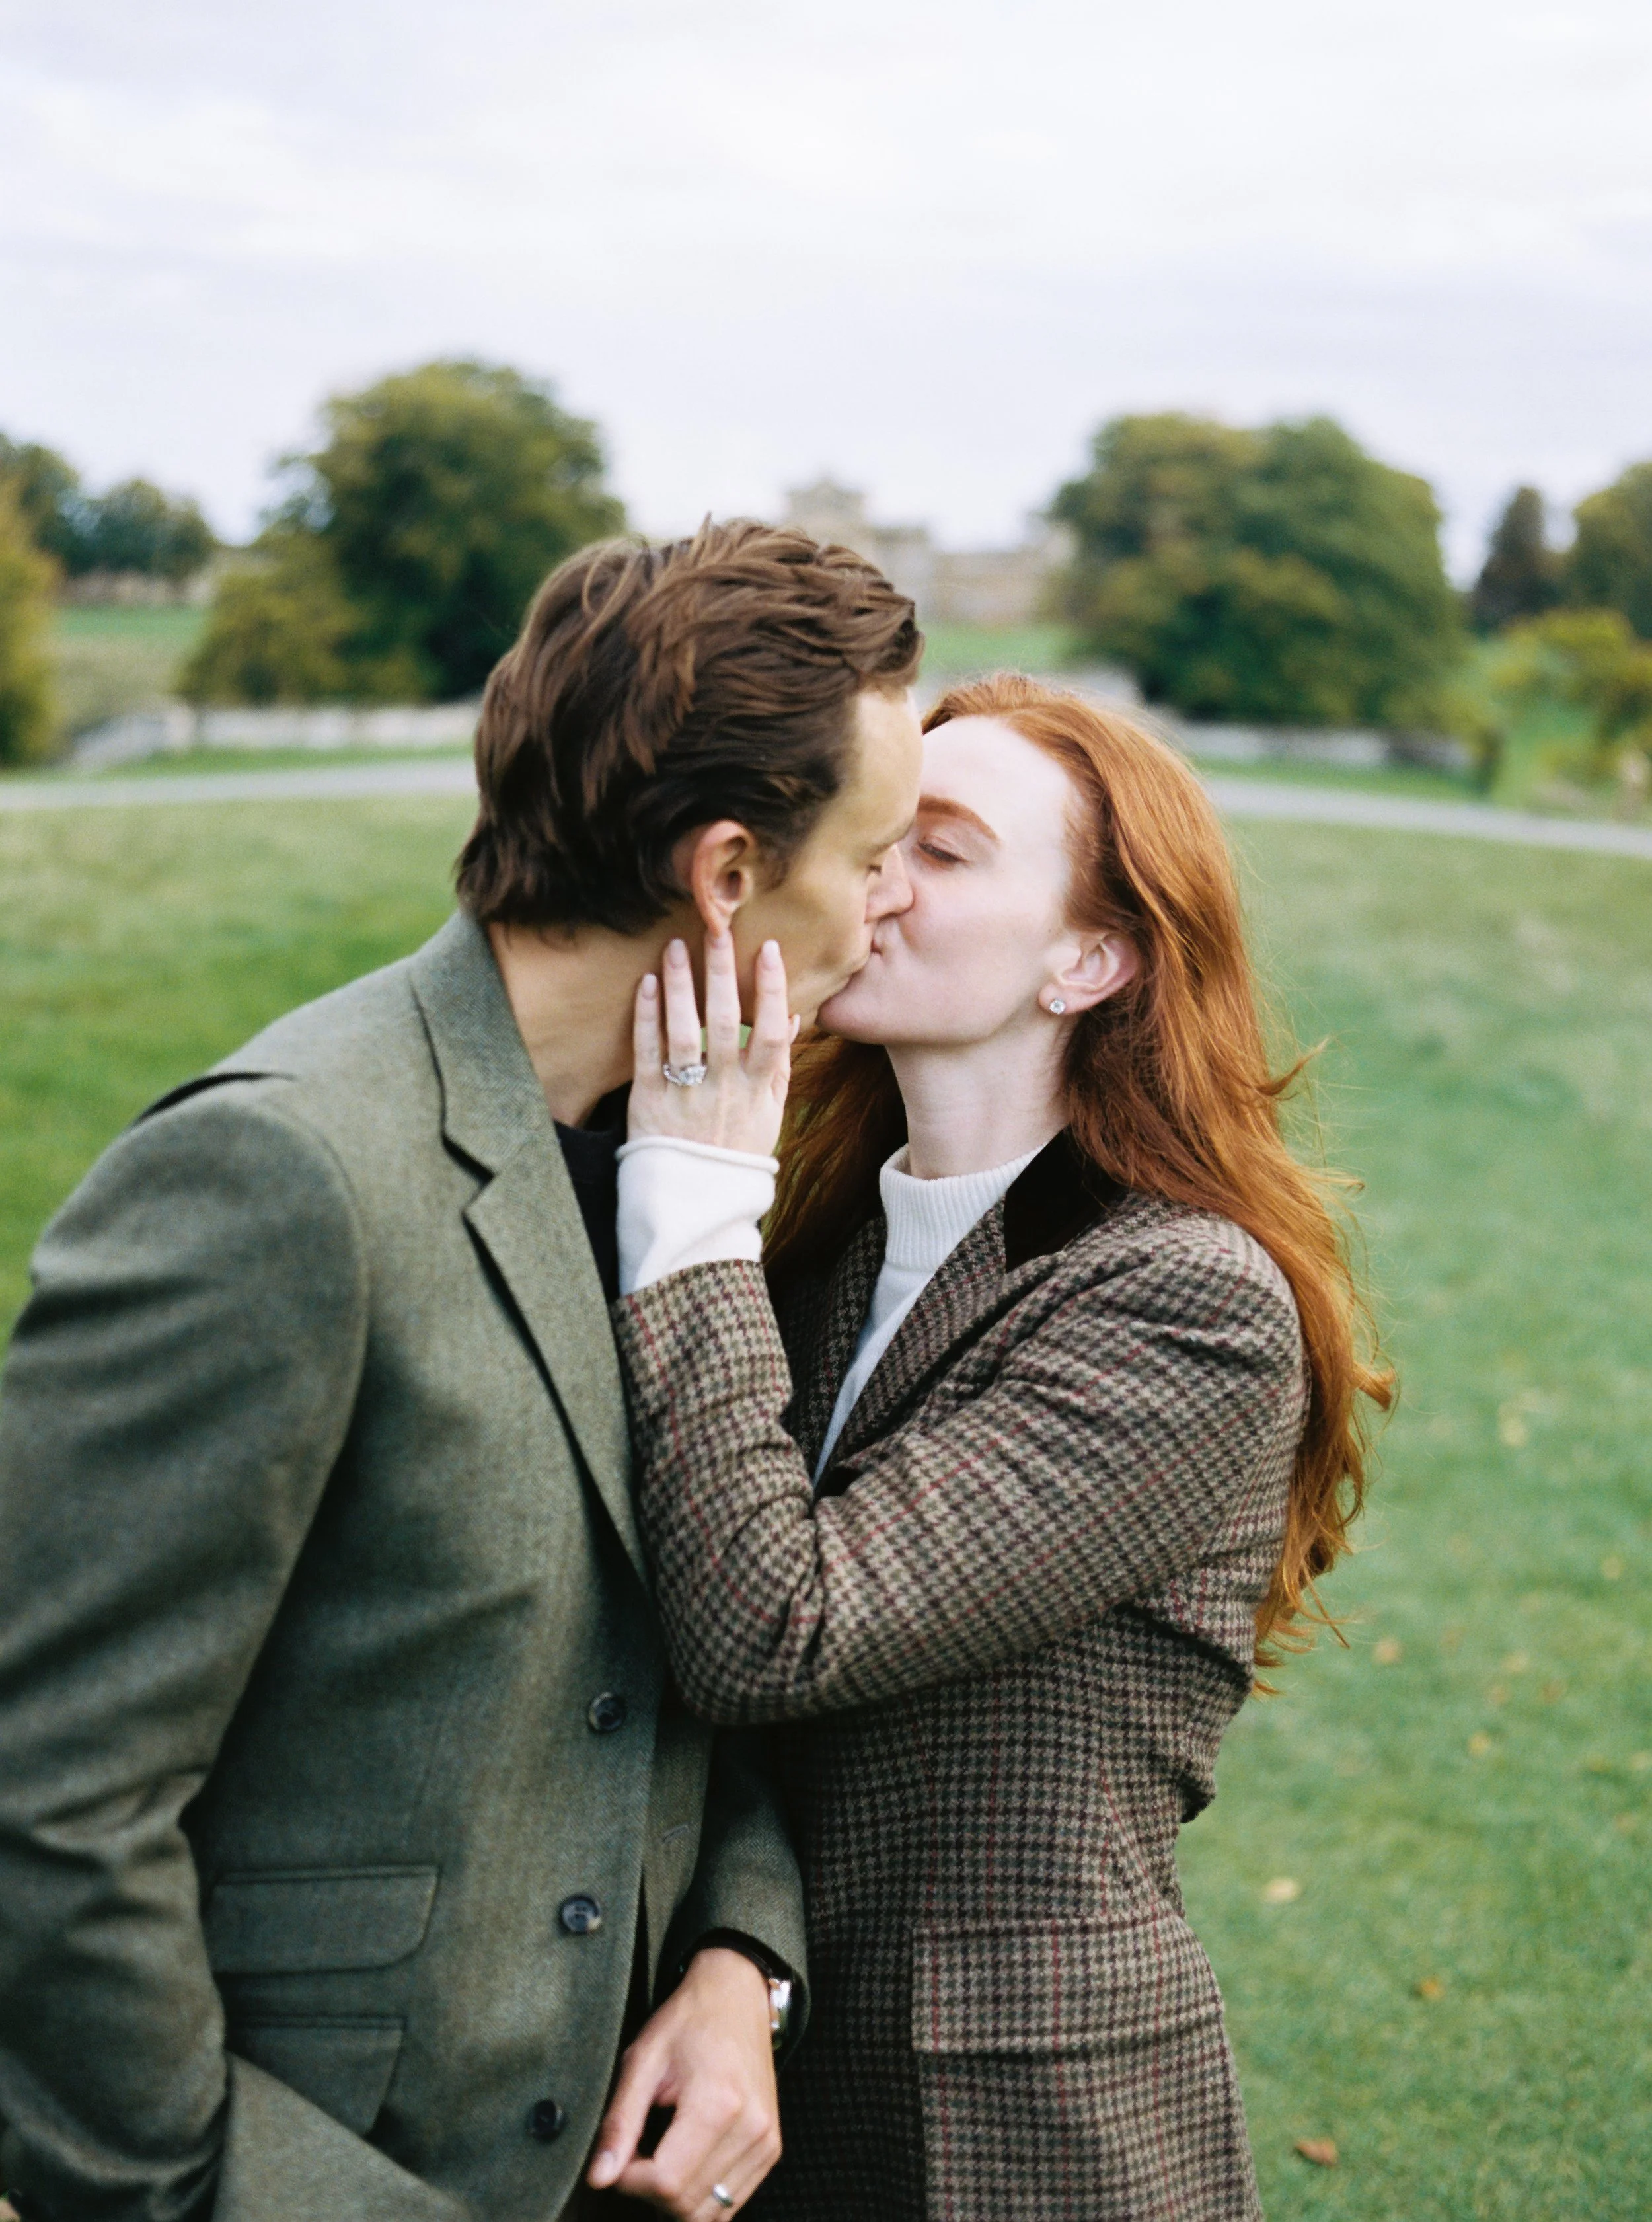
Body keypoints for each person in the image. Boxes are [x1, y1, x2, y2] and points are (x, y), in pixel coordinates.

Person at [0, 521, 924, 2222]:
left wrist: (738, 1953)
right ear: (727, 873)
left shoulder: (698, 1165)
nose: (892, 899)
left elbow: (661, 1654)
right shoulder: (282, 1179)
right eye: (873, 853)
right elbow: (45, 1800)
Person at [603, 674, 1392, 2219]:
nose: (869, 881)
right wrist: (736, 1953)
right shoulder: (815, 1248)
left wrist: (686, 1194)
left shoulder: (1188, 1304)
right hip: (737, 2082)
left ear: (1087, 957)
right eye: (875, 834)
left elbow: (772, 1629)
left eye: (943, 853)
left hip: (1018, 2123)